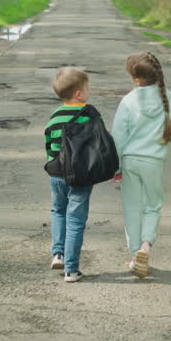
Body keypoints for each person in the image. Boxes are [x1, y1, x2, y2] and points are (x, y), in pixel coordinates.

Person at [111, 52, 171, 278]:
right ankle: (145, 247)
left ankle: (134, 256)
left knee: (132, 208)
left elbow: (118, 137)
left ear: (137, 79)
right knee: (153, 206)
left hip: (130, 160)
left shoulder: (129, 100)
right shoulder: (170, 98)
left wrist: (117, 167)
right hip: (154, 162)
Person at [44, 67, 101, 283]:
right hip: (81, 176)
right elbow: (100, 143)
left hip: (57, 173)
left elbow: (49, 145)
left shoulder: (54, 115)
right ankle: (71, 269)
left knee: (58, 210)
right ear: (79, 94)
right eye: (87, 88)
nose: (89, 91)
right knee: (75, 220)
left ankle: (57, 253)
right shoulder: (90, 113)